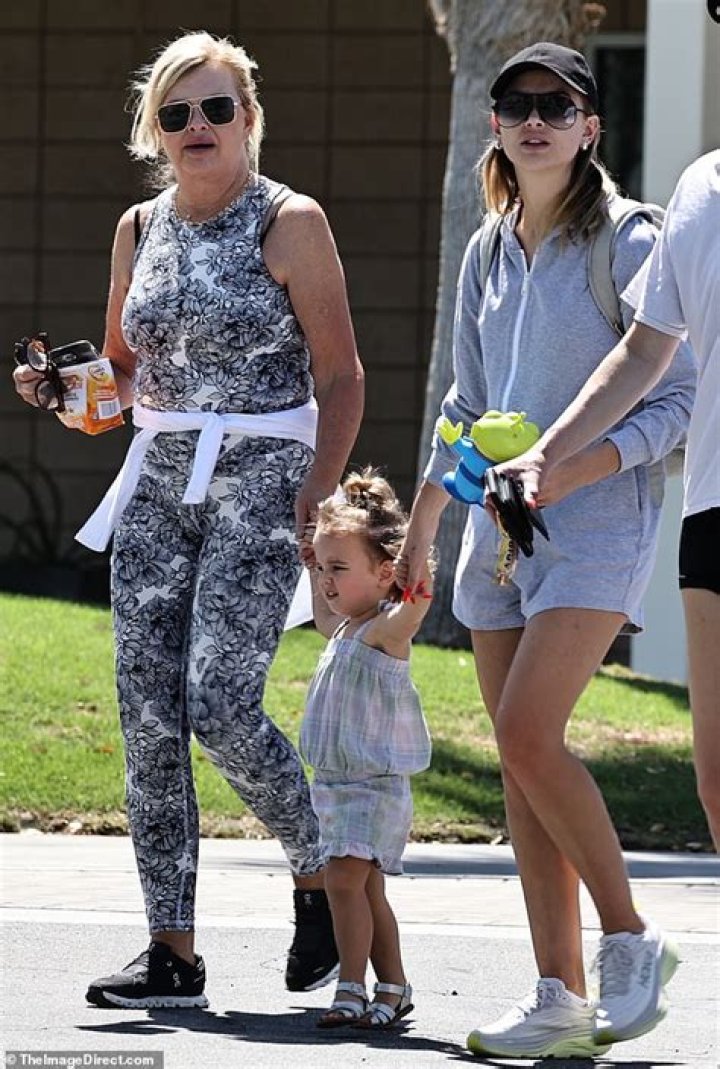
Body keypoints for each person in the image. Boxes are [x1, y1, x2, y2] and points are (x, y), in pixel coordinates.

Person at [13, 30, 364, 1008]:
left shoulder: (290, 222)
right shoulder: (138, 226)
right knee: (149, 717)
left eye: (216, 108)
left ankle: (320, 870)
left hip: (265, 468)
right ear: (156, 132)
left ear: (248, 118)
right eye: (177, 113)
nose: (197, 126)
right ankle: (171, 949)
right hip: (159, 476)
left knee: (218, 700)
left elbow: (341, 375)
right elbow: (122, 385)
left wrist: (317, 495)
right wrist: (62, 390)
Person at [397, 42, 696, 1059]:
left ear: (590, 127)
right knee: (523, 773)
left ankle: (630, 936)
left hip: (601, 528)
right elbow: (466, 404)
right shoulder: (487, 248)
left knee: (529, 735)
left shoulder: (631, 238)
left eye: (557, 106)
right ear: (496, 125)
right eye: (517, 104)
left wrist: (580, 467)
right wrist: (431, 514)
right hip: (498, 540)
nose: (536, 120)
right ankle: (560, 999)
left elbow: (678, 399)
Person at [497, 148, 720, 852]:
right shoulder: (701, 185)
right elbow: (646, 348)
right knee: (716, 779)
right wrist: (551, 451)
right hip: (714, 506)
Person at [299, 469, 433, 1029]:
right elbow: (323, 608)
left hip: (372, 787)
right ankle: (394, 986)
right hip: (335, 785)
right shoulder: (341, 628)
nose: (327, 581)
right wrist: (313, 565)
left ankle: (349, 988)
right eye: (322, 567)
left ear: (383, 575)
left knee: (344, 884)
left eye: (339, 568)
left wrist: (418, 571)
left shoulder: (384, 630)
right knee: (368, 892)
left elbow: (414, 608)